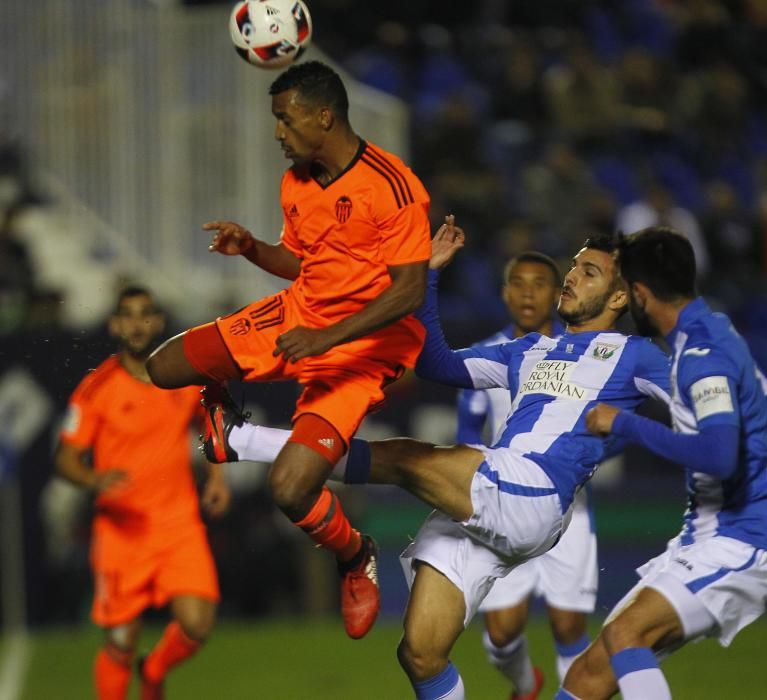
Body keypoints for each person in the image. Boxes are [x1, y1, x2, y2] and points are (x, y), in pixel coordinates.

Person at [201, 219, 672, 698]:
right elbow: (435, 363)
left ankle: (241, 439)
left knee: (407, 457)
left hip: (535, 490)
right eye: (573, 267)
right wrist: (426, 275)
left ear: (619, 299)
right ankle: (239, 439)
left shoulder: (635, 355)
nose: (570, 277)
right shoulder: (530, 350)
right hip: (496, 497)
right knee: (420, 653)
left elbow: (697, 401)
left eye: (589, 272)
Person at [145, 60, 431, 639]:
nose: (278, 132)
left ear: (323, 116)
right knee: (164, 366)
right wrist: (252, 248)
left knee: (290, 488)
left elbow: (408, 292)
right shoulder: (296, 181)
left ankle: (354, 557)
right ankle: (222, 413)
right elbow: (303, 262)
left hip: (366, 348)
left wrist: (326, 338)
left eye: (285, 118)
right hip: (302, 314)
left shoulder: (393, 185)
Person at [558, 226, 767, 700]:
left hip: (743, 537)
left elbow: (720, 455)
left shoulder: (700, 358)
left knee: (626, 636)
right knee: (588, 675)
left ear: (641, 295)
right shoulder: (716, 332)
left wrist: (622, 423)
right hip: (711, 530)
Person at [56, 286, 230, 700]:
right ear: (115, 324)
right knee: (119, 640)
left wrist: (217, 478)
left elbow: (208, 426)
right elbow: (66, 457)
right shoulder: (97, 387)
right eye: (128, 315)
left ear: (157, 322)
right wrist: (93, 480)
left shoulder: (179, 378)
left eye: (145, 314)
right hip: (122, 531)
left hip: (177, 524)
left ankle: (153, 671)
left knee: (198, 624)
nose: (137, 323)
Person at [456, 252, 596, 700]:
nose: (528, 292)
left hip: (567, 511)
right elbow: (466, 434)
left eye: (539, 284)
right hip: (506, 507)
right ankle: (524, 686)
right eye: (519, 283)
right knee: (501, 633)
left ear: (558, 295)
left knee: (569, 623)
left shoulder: (582, 354)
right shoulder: (489, 356)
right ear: (505, 292)